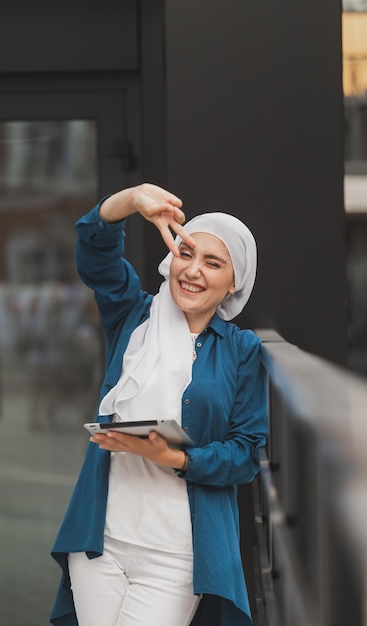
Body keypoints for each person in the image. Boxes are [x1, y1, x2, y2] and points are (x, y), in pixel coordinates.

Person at [50, 183, 268, 626]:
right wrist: (129, 202)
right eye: (186, 254)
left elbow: (246, 453)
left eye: (213, 263)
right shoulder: (134, 315)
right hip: (102, 540)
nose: (193, 270)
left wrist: (175, 457)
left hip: (177, 552)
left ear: (234, 282)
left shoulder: (242, 350)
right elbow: (96, 254)